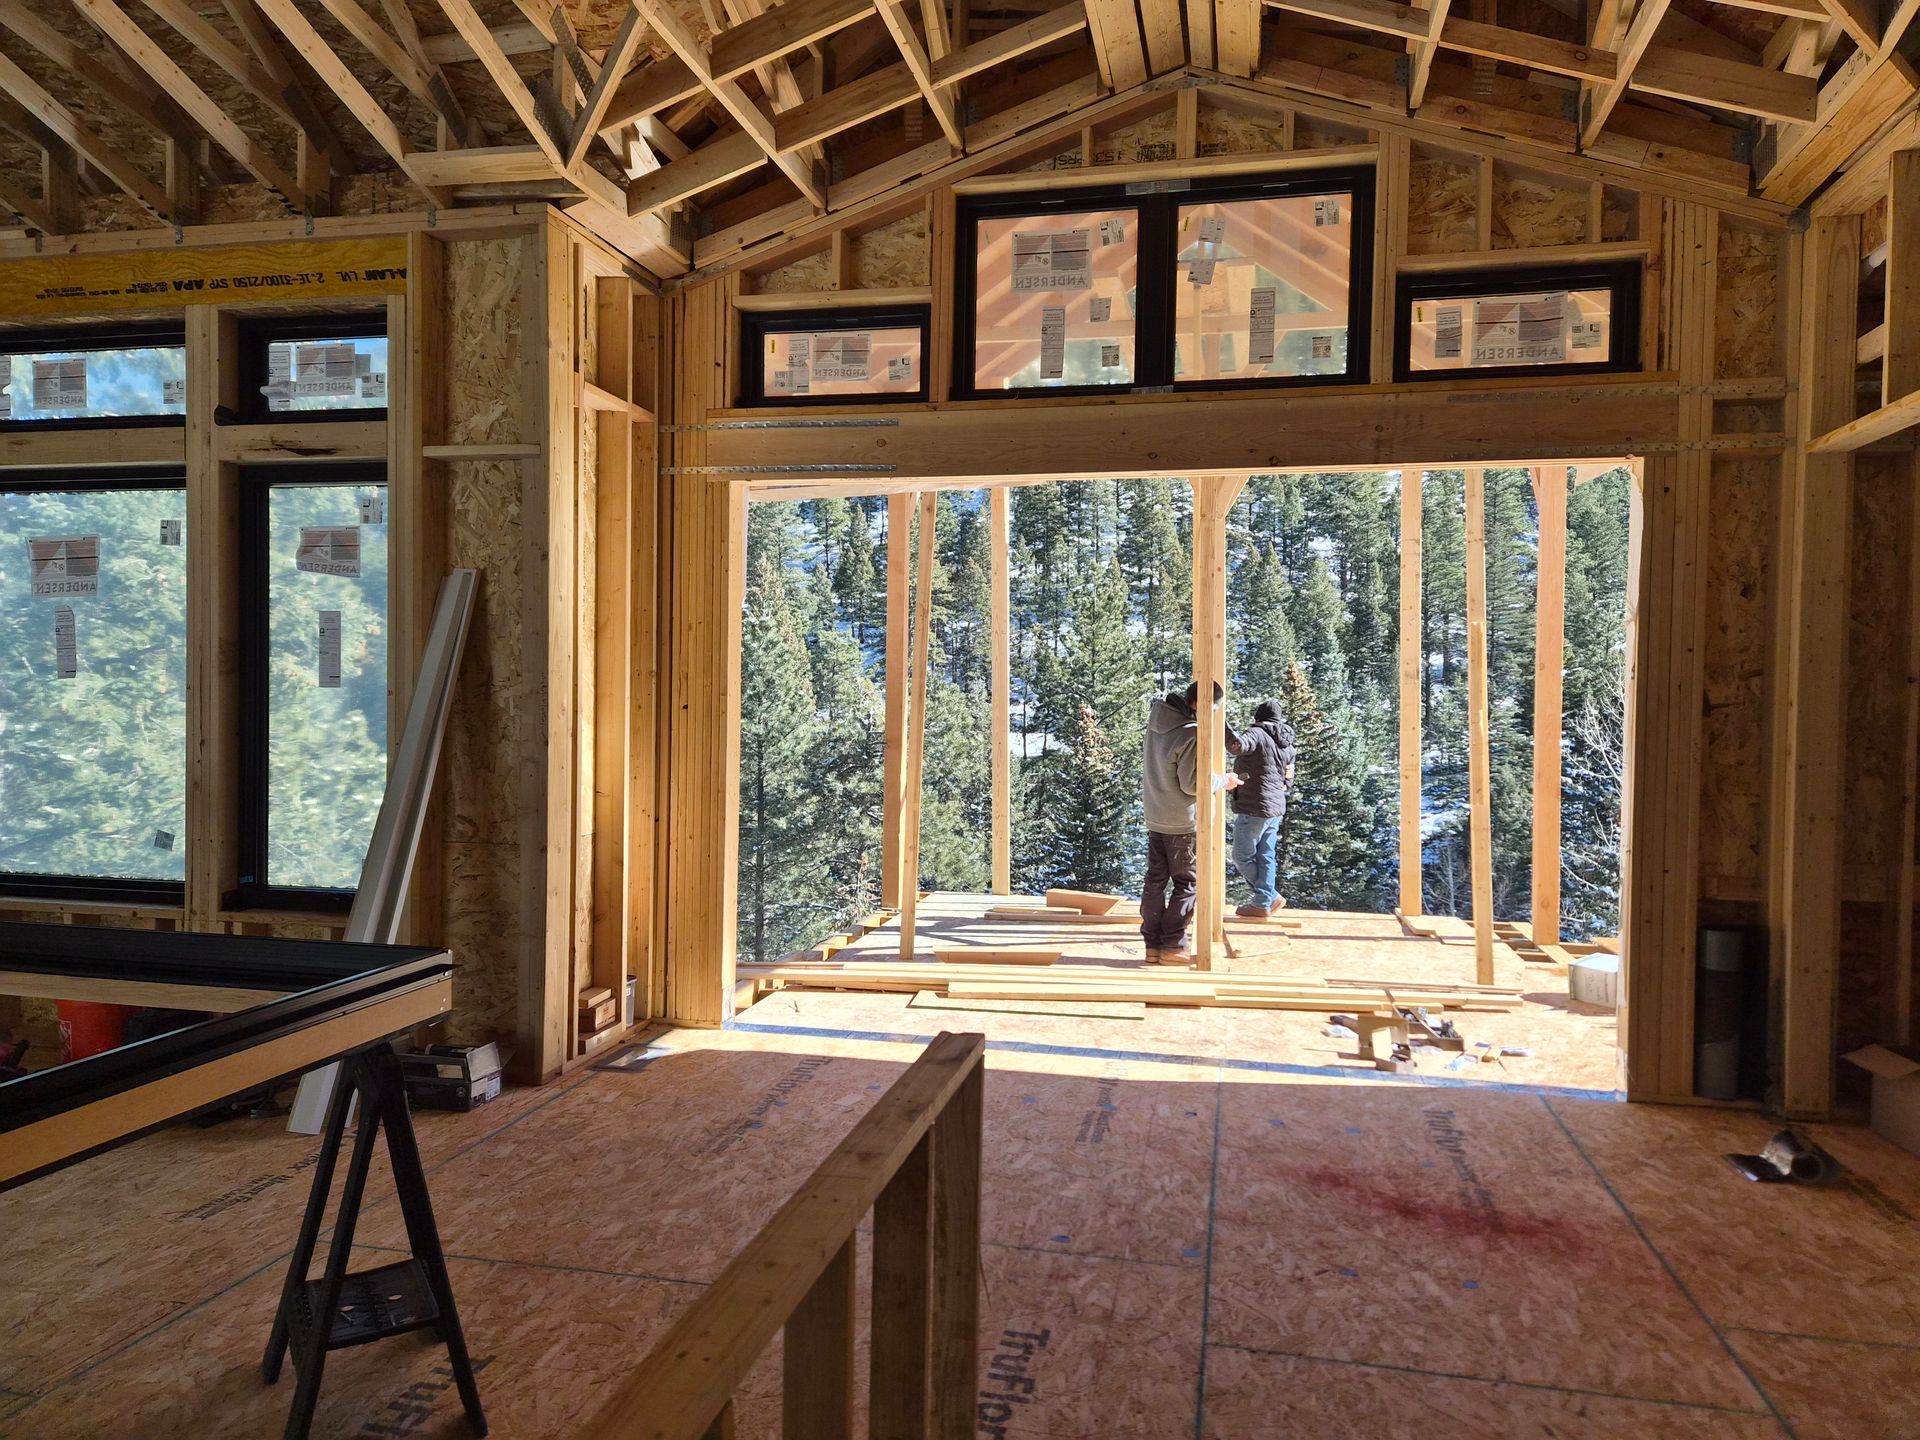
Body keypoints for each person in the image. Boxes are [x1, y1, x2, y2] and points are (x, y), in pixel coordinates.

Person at [1140, 680, 1238, 962]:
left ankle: (1152, 946)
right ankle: (1172, 946)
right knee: (1187, 883)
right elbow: (1193, 783)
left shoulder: (1157, 722)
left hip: (1156, 814)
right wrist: (1224, 781)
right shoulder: (1190, 734)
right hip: (1182, 822)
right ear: (1202, 705)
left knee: (1155, 881)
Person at [1228, 699, 1297, 919]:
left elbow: (1237, 745)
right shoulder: (1287, 743)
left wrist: (1220, 725)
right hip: (1275, 807)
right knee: (1266, 855)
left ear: (1257, 717)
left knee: (1241, 856)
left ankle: (1266, 898)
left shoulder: (1257, 734)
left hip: (1254, 806)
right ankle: (1264, 901)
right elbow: (1289, 777)